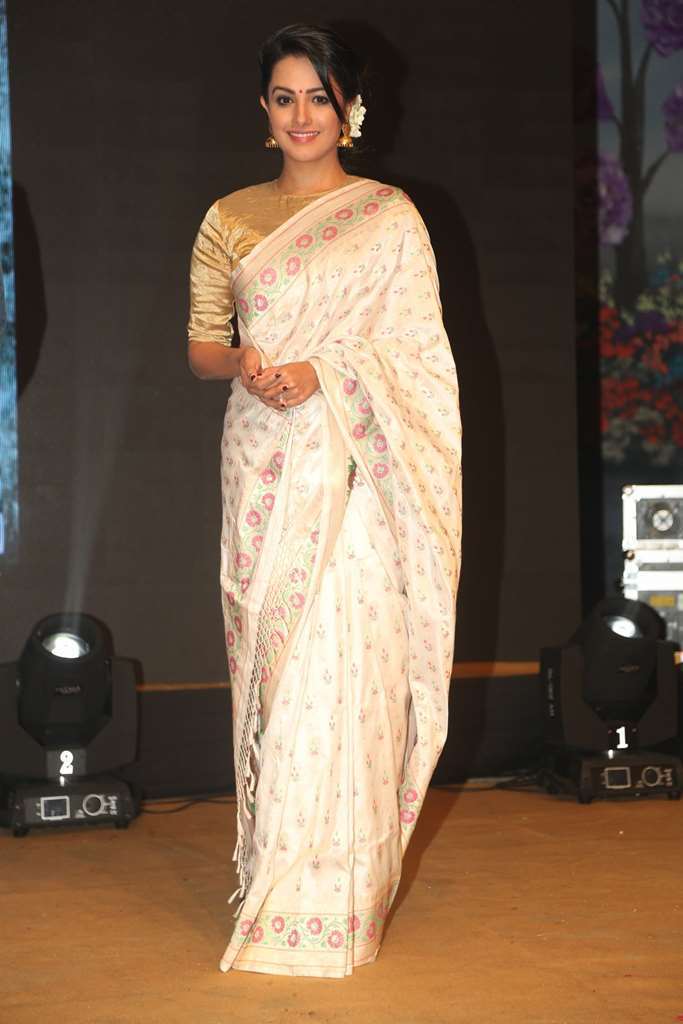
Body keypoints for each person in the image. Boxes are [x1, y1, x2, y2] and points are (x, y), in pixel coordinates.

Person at [187, 23, 462, 978]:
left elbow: (417, 354)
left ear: (350, 107)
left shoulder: (388, 217)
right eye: (284, 97)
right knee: (280, 670)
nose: (302, 115)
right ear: (262, 110)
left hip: (361, 470)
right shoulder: (229, 218)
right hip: (265, 459)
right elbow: (202, 349)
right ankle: (277, 878)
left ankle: (340, 899)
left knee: (350, 665)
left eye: (319, 96)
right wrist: (247, 363)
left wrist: (326, 372)